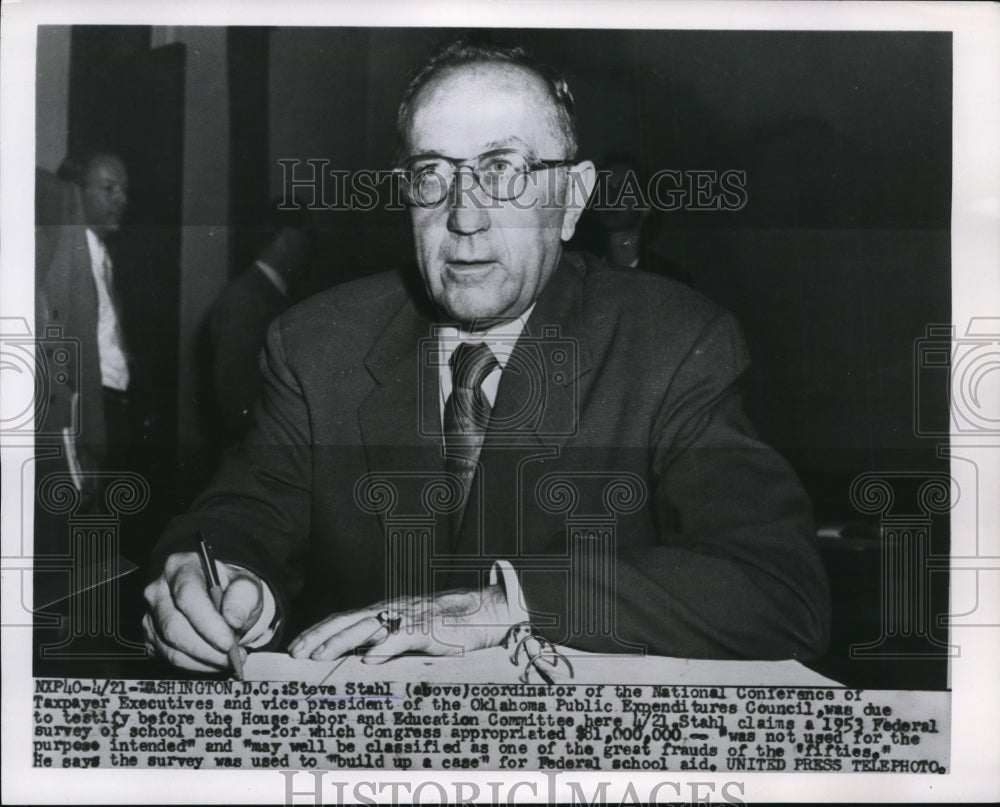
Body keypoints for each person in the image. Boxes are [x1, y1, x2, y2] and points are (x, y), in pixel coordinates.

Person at [144, 40, 830, 674]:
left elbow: (779, 588)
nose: (464, 216)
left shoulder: (675, 341)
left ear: (571, 197)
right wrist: (218, 580)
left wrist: (507, 601)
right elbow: (242, 514)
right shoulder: (315, 342)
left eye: (503, 171)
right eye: (432, 175)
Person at [39, 152, 140, 499]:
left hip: (115, 404)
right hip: (90, 411)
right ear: (76, 192)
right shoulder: (65, 252)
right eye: (108, 188)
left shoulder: (101, 254)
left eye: (124, 190)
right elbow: (63, 350)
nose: (121, 199)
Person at [207, 201, 313, 443]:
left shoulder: (273, 294)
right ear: (284, 237)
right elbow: (235, 397)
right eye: (306, 234)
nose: (310, 244)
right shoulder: (245, 298)